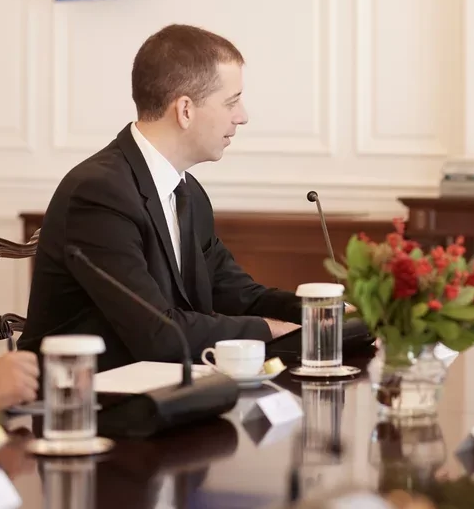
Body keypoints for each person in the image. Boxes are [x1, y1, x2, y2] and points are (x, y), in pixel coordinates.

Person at [19, 25, 301, 371]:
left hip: (157, 385)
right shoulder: (99, 193)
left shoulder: (189, 191)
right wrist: (271, 331)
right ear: (185, 111)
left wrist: (318, 312)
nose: (242, 116)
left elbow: (237, 293)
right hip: (82, 395)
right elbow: (157, 334)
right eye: (231, 102)